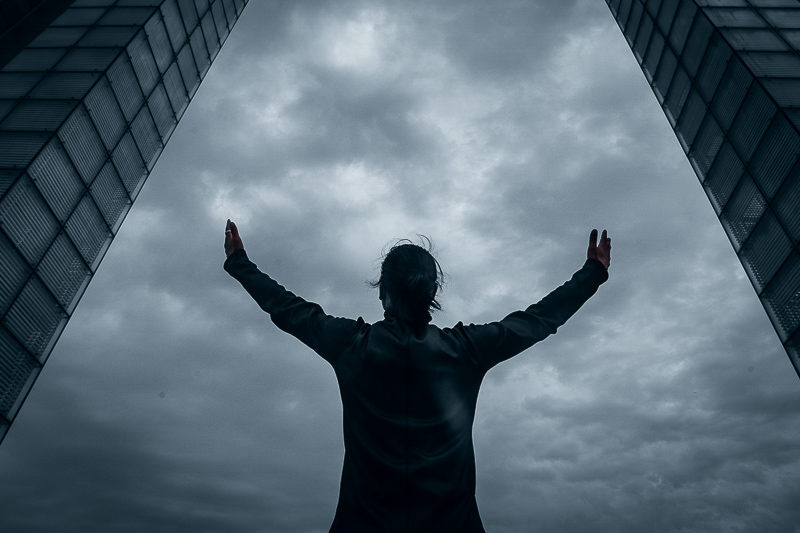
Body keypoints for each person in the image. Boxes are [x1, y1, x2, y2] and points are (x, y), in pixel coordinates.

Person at [223, 220, 610, 532]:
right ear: (433, 292)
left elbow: (289, 309)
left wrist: (241, 263)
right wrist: (592, 274)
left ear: (382, 293)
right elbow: (537, 320)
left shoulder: (351, 345)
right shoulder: (467, 350)